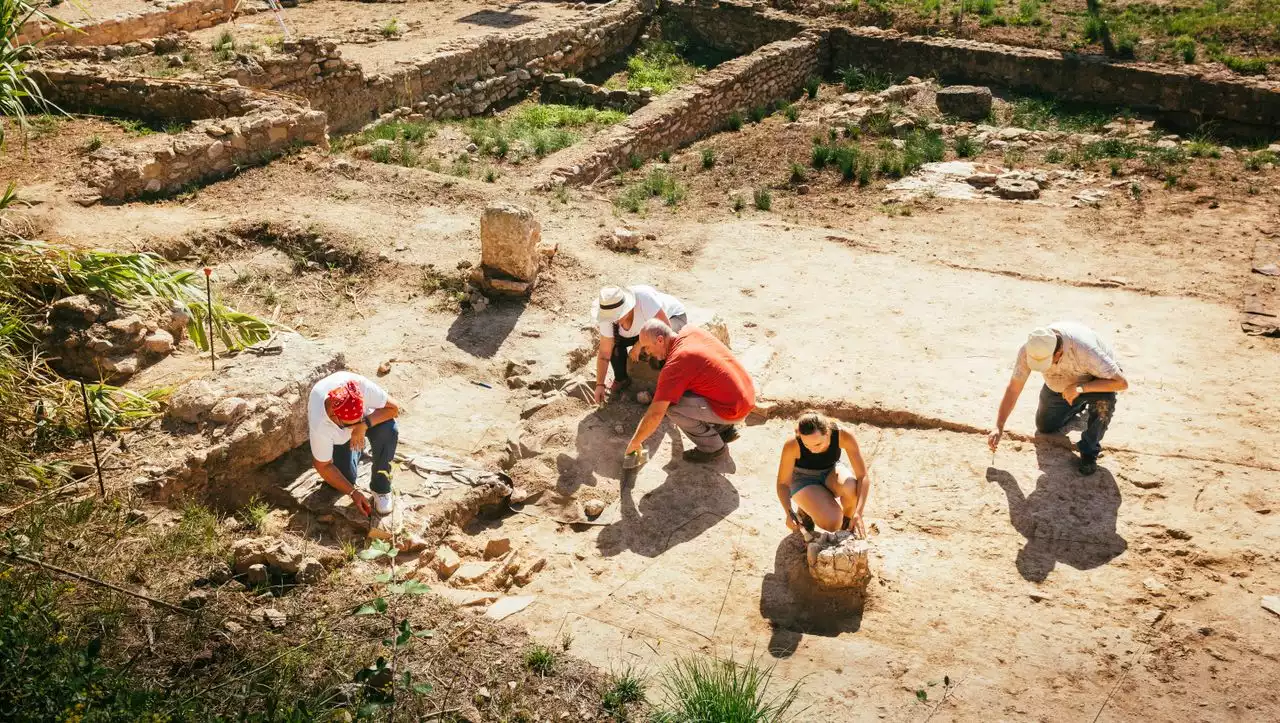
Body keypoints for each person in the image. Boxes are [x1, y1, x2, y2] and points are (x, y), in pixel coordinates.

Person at [988, 322, 1128, 476]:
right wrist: (999, 426)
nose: (1047, 368)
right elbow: (1014, 388)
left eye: (1048, 363)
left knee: (1103, 404)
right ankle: (1079, 410)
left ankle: (1089, 451)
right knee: (1045, 427)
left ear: (1059, 352)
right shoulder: (1031, 349)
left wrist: (1079, 388)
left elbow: (1121, 383)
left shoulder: (1085, 350)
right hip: (1058, 387)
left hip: (1095, 384)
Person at [624, 319, 754, 463]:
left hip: (735, 409)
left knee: (672, 408)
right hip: (746, 393)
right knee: (684, 390)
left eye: (647, 347)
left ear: (660, 340)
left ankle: (712, 448)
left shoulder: (677, 362)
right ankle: (724, 429)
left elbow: (655, 413)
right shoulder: (690, 331)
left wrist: (635, 443)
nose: (647, 353)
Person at [308, 371, 401, 516]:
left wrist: (362, 426)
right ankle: (359, 447)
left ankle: (381, 488)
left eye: (357, 420)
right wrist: (353, 493)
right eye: (349, 424)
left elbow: (394, 408)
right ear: (334, 416)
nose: (354, 427)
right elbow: (323, 465)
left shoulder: (361, 387)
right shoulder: (320, 424)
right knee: (346, 478)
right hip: (338, 437)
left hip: (369, 422)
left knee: (389, 429)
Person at [775, 411, 871, 536]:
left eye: (818, 444)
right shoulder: (792, 444)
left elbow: (862, 476)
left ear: (828, 432)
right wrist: (789, 512)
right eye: (806, 445)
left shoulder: (843, 435)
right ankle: (805, 510)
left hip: (830, 471)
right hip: (802, 479)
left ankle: (847, 525)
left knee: (851, 486)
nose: (813, 449)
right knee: (832, 522)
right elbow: (783, 484)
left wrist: (858, 513)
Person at [591, 284, 687, 405]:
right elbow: (605, 353)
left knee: (659, 349)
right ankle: (622, 379)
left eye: (617, 316)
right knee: (614, 344)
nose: (614, 320)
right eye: (612, 317)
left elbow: (666, 332)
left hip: (672, 318)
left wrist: (639, 346)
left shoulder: (644, 299)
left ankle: (672, 391)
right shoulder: (607, 317)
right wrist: (600, 384)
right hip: (642, 330)